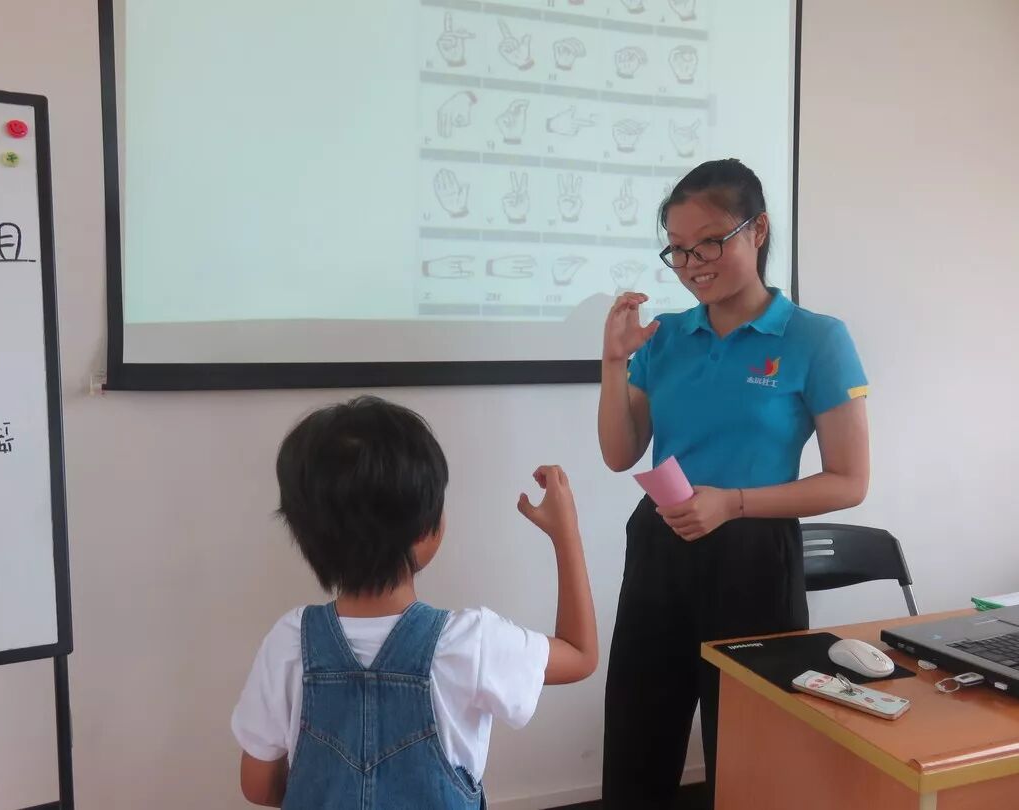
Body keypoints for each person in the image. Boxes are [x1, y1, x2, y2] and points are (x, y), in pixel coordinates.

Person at [598, 159, 870, 808]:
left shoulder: (816, 339)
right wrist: (613, 361)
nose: (693, 263)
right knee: (637, 744)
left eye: (710, 242)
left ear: (759, 231)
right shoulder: (666, 336)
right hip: (661, 546)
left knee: (754, 754)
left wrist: (736, 504)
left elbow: (849, 481)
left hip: (755, 558)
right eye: (678, 248)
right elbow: (619, 453)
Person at [232, 396, 598, 808]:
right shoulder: (472, 643)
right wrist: (565, 532)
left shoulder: (287, 642)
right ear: (426, 529)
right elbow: (581, 654)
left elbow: (258, 785)